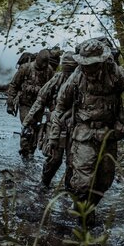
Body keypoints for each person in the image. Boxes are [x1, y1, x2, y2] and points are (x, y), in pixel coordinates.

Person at [47, 39, 124, 224]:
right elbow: (60, 107)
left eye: (92, 65)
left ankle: (88, 208)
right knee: (83, 182)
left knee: (104, 181)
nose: (88, 69)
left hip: (109, 135)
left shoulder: (115, 74)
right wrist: (54, 137)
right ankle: (83, 215)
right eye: (85, 65)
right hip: (83, 134)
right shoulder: (76, 77)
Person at [23, 52, 78, 186]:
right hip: (56, 124)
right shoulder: (57, 79)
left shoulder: (82, 81)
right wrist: (28, 121)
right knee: (54, 158)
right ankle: (44, 183)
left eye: (71, 69)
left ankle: (68, 189)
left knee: (73, 161)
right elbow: (40, 100)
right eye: (66, 68)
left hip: (76, 125)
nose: (68, 72)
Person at [7, 49, 55, 156]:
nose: (43, 65)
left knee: (37, 129)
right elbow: (14, 85)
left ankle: (31, 151)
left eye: (45, 63)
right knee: (28, 127)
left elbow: (52, 90)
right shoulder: (25, 68)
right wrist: (10, 103)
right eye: (42, 62)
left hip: (39, 106)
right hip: (25, 104)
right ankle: (24, 151)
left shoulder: (49, 71)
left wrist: (53, 108)